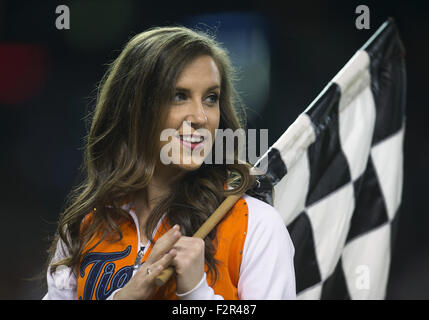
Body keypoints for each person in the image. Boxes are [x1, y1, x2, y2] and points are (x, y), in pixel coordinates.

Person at [43, 25, 296, 300]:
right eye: (179, 96)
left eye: (211, 98)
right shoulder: (86, 225)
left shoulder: (256, 225)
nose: (200, 117)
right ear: (134, 110)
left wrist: (197, 292)